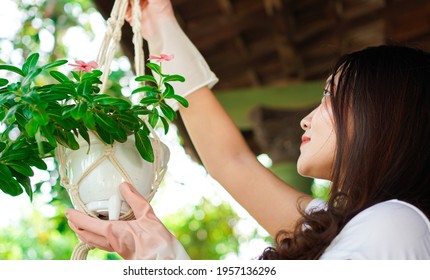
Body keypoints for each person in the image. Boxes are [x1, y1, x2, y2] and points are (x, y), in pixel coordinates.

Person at [66, 0, 430, 259]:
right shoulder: (341, 227)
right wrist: (158, 22)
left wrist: (161, 259)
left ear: (383, 116)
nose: (306, 119)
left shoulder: (394, 225)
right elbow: (232, 162)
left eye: (329, 98)